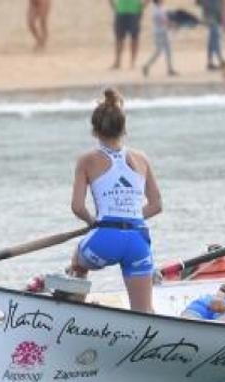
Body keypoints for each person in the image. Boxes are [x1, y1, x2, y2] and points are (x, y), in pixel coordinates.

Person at [68, 89, 163, 313]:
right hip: (138, 240)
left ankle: (74, 312)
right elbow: (157, 205)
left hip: (105, 239)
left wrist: (93, 222)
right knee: (143, 311)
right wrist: (130, 215)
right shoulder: (141, 158)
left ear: (94, 130)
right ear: (124, 128)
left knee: (78, 262)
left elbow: (77, 207)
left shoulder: (87, 160)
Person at [142, 0, 179, 76]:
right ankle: (146, 66)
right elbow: (162, 22)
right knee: (158, 51)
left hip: (164, 32)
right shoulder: (156, 10)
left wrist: (171, 25)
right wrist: (172, 25)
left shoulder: (161, 8)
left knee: (168, 50)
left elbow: (166, 20)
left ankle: (170, 69)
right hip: (159, 33)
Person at [111, 0, 146, 70]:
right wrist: (114, 7)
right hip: (121, 11)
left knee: (134, 38)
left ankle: (132, 62)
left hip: (134, 12)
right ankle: (117, 62)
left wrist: (141, 8)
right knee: (119, 38)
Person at [198, 0, 225, 69]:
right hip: (209, 15)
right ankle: (220, 59)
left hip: (216, 14)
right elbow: (198, 2)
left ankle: (210, 62)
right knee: (215, 36)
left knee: (212, 38)